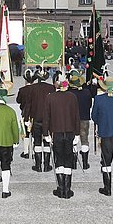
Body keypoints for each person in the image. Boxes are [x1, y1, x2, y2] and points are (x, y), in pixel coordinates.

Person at [43, 71, 80, 199]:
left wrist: (45, 133)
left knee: (59, 160)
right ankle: (67, 189)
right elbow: (76, 116)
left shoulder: (50, 97)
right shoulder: (72, 97)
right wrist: (77, 134)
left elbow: (46, 118)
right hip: (70, 133)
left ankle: (61, 188)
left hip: (56, 133)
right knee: (68, 160)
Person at [27, 68, 55, 172]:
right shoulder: (51, 88)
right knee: (47, 142)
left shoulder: (32, 88)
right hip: (48, 119)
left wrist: (26, 118)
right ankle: (47, 165)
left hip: (36, 118)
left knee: (37, 142)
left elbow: (28, 105)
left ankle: (38, 165)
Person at [69, 69, 92, 170]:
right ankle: (85, 163)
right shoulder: (87, 92)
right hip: (84, 118)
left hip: (72, 119)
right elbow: (90, 105)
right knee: (84, 140)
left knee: (73, 140)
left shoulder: (69, 93)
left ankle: (73, 163)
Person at [16, 69, 35, 160]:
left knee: (26, 133)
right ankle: (35, 151)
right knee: (35, 133)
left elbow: (18, 100)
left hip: (25, 112)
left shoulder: (22, 90)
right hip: (35, 112)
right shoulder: (36, 90)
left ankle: (26, 151)